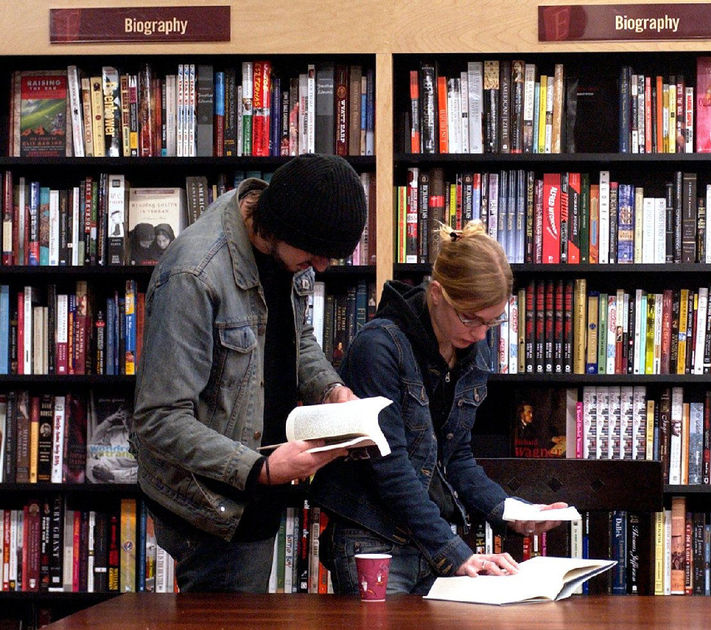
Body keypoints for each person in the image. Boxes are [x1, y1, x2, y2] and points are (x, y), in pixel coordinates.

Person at [131, 154, 367, 593]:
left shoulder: (285, 249)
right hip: (211, 505)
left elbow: (297, 340)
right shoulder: (194, 273)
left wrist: (330, 388)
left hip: (258, 488)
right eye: (315, 254)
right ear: (279, 225)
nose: (320, 267)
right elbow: (158, 418)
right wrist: (258, 468)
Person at [312, 220, 567, 596]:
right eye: (471, 318)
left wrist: (511, 511)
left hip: (428, 542)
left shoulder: (469, 352)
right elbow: (390, 467)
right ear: (436, 293)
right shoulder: (378, 348)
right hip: (374, 543)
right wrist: (455, 553)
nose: (481, 334)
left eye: (492, 321)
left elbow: (456, 458)